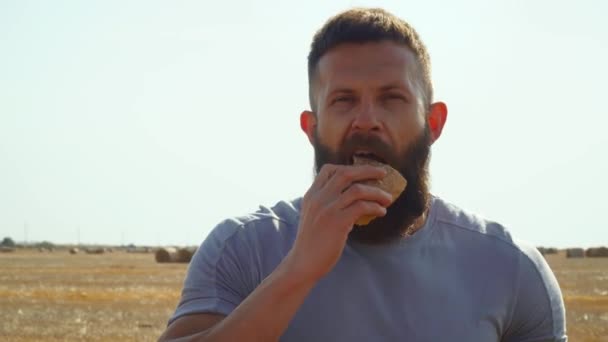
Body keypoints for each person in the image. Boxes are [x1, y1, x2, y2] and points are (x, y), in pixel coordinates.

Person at [159, 7, 567, 342]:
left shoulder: (509, 268)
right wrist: (299, 269)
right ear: (311, 128)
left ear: (434, 123)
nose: (367, 120)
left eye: (392, 98)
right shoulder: (242, 249)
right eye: (343, 100)